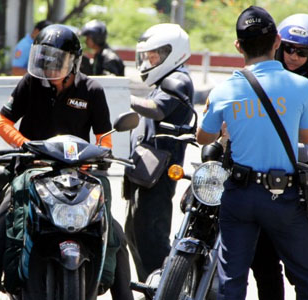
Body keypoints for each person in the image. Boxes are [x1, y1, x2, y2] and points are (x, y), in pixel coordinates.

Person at [0, 24, 134, 300]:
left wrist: (97, 158)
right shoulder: (30, 83)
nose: (49, 67)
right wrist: (24, 145)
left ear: (74, 61)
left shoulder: (92, 89)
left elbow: (104, 137)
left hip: (78, 171)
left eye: (56, 61)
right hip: (32, 169)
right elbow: (1, 122)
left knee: (113, 231)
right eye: (45, 59)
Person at [196, 6, 308, 300]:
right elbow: (306, 136)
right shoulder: (302, 86)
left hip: (239, 195)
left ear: (237, 46)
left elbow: (203, 136)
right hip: (282, 195)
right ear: (276, 43)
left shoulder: (224, 90)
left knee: (231, 281)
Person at [250, 13, 308, 300]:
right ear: (276, 46)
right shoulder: (264, 77)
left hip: (298, 182)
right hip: (257, 177)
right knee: (262, 262)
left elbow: (305, 145)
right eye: (289, 48)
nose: (294, 56)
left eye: (303, 52)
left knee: (299, 265)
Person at [123, 23, 194, 282]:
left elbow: (155, 108)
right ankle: (151, 286)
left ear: (171, 53)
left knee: (151, 236)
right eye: (148, 55)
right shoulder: (166, 79)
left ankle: (164, 288)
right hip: (147, 171)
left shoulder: (178, 80)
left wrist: (122, 96)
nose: (149, 61)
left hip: (160, 173)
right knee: (135, 232)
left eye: (155, 55)